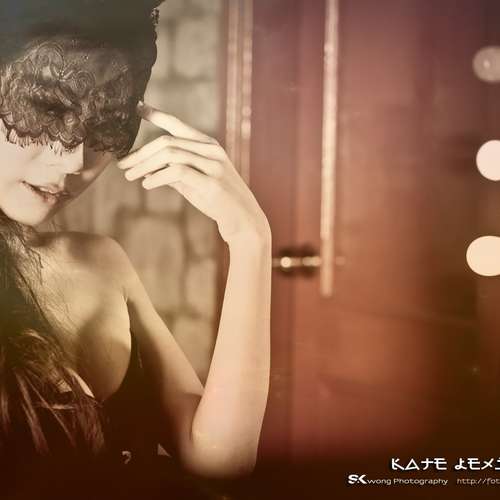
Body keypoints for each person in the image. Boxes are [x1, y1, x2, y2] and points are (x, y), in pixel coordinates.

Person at [0, 1, 272, 498]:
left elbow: (220, 460)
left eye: (102, 128)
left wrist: (250, 240)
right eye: (44, 114)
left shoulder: (101, 263)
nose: (73, 162)